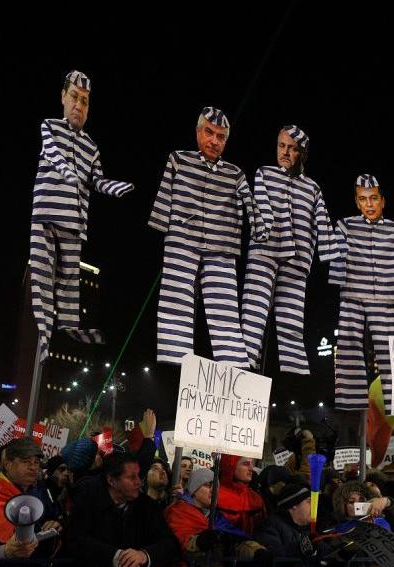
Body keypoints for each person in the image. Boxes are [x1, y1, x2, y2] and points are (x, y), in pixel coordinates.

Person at [148, 107, 267, 366]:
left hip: (222, 244)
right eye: (209, 132)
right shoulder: (178, 160)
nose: (214, 141)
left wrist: (260, 228)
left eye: (220, 136)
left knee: (224, 306)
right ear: (198, 132)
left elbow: (250, 202)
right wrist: (161, 223)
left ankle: (233, 363)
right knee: (175, 295)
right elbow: (165, 193)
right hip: (182, 238)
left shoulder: (235, 174)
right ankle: (176, 356)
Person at [29, 69, 134, 358]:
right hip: (46, 213)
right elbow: (51, 152)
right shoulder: (49, 126)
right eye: (74, 97)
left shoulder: (91, 147)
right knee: (42, 277)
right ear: (63, 97)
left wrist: (115, 187)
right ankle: (43, 336)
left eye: (84, 101)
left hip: (74, 222)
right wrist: (65, 170)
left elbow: (97, 180)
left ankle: (68, 329)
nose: (78, 105)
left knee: (69, 282)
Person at [242, 125, 336, 374]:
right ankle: (244, 368)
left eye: (291, 148)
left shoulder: (313, 189)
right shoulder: (264, 173)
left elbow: (324, 223)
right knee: (253, 314)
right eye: (281, 146)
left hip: (296, 260)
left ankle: (293, 376)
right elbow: (259, 207)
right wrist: (264, 231)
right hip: (264, 252)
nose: (284, 153)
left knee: (291, 322)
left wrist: (332, 257)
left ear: (302, 154)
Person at [329, 174, 394, 411]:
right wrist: (338, 277)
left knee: (390, 350)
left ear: (383, 201)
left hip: (386, 296)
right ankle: (351, 403)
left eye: (373, 198)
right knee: (348, 346)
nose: (369, 204)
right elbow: (336, 252)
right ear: (357, 202)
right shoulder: (345, 225)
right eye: (363, 199)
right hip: (353, 292)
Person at [66, 452, 180, 567]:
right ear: (112, 480)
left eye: (139, 475)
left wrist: (144, 556)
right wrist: (117, 557)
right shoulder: (87, 501)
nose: (139, 482)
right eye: (131, 477)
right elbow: (75, 540)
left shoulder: (147, 506)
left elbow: (170, 544)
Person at [165, 467, 263, 567]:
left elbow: (236, 541)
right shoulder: (178, 512)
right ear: (194, 490)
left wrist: (256, 551)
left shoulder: (217, 518)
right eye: (208, 485)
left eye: (216, 486)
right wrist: (198, 542)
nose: (214, 490)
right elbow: (177, 542)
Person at [0, 436, 61, 558]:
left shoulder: (38, 490)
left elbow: (52, 517)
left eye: (36, 462)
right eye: (26, 461)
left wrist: (55, 524)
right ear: (8, 464)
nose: (33, 467)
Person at [253, 483, 319, 567]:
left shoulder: (308, 531)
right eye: (309, 502)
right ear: (294, 504)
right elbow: (271, 554)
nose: (314, 507)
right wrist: (299, 548)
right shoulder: (270, 525)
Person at [216, 455, 266, 535]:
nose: (251, 468)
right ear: (230, 466)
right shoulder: (212, 496)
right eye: (246, 464)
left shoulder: (256, 498)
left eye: (252, 463)